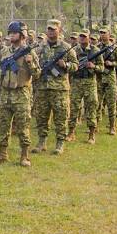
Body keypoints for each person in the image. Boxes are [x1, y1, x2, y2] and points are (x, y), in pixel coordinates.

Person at [0, 21, 38, 166]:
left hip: (21, 94)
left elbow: (38, 74)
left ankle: (24, 156)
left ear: (22, 35)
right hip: (5, 93)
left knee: (23, 126)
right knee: (3, 125)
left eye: (14, 33)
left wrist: (30, 63)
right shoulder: (4, 51)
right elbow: (0, 68)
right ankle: (2, 154)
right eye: (10, 33)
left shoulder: (29, 52)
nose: (11, 35)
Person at [33, 19, 78, 155]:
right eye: (49, 29)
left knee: (61, 116)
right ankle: (42, 141)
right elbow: (34, 64)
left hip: (60, 89)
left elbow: (75, 66)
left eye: (54, 29)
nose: (51, 31)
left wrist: (65, 65)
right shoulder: (39, 47)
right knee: (41, 116)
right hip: (42, 88)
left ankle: (60, 142)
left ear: (59, 30)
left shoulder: (66, 47)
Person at [68, 31, 104, 144]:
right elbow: (69, 65)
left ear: (89, 38)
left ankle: (91, 134)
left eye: (85, 37)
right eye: (81, 37)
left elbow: (102, 68)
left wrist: (94, 66)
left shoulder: (96, 51)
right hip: (76, 82)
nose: (82, 39)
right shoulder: (73, 50)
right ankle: (71, 132)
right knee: (73, 108)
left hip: (90, 82)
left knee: (91, 107)